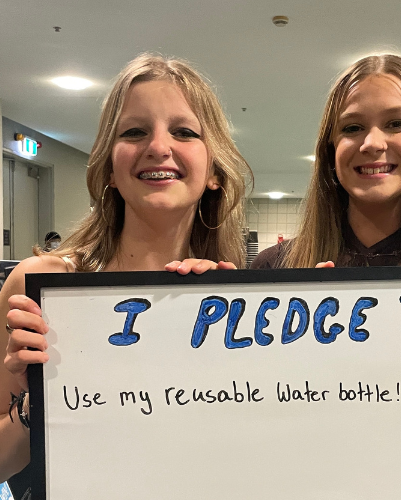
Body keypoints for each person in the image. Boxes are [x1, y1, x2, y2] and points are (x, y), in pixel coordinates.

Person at [0, 53, 252, 482]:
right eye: (135, 131)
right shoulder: (39, 285)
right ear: (110, 169)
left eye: (184, 132)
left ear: (214, 171)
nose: (158, 147)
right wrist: (36, 400)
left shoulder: (237, 302)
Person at [251, 54, 401, 269]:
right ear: (330, 148)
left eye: (397, 124)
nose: (372, 143)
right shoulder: (275, 268)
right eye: (353, 127)